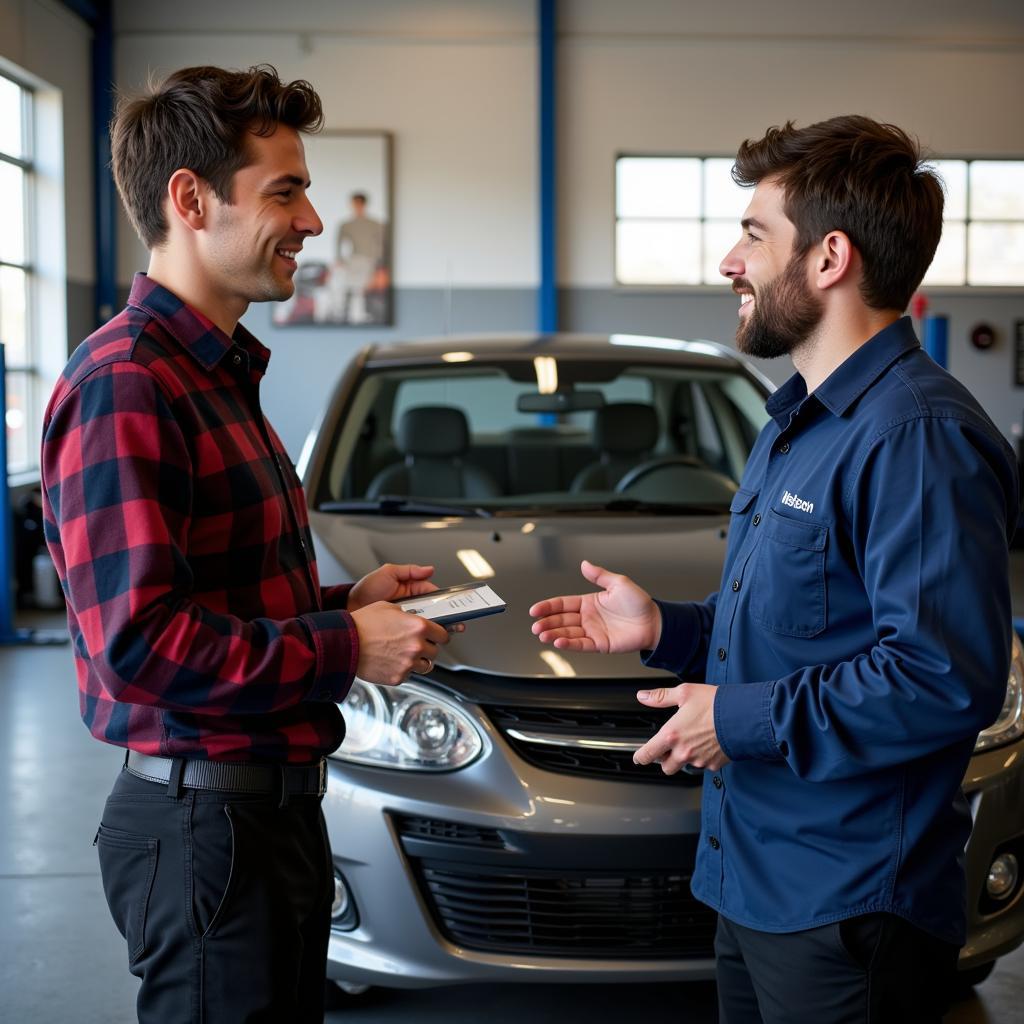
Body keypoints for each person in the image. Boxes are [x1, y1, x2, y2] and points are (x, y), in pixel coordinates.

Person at [530, 115, 1019, 1023]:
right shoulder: (798, 422)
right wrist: (668, 630)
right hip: (753, 880)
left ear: (830, 258)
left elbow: (942, 678)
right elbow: (799, 625)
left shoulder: (916, 435)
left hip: (849, 906)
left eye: (754, 235)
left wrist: (736, 718)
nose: (730, 261)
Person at [40, 65, 454, 1023]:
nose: (310, 221)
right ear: (191, 199)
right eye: (285, 190)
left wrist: (338, 610)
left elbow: (215, 600)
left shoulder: (215, 374)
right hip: (205, 827)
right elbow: (139, 644)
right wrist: (347, 650)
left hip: (265, 813)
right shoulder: (127, 382)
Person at [329, 191, 386, 324]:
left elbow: (381, 244)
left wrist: (378, 263)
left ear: (364, 204)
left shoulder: (375, 224)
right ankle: (341, 313)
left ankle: (357, 314)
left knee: (359, 289)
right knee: (340, 284)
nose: (356, 206)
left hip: (369, 260)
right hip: (353, 260)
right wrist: (339, 259)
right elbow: (338, 244)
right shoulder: (346, 225)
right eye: (354, 204)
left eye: (359, 203)